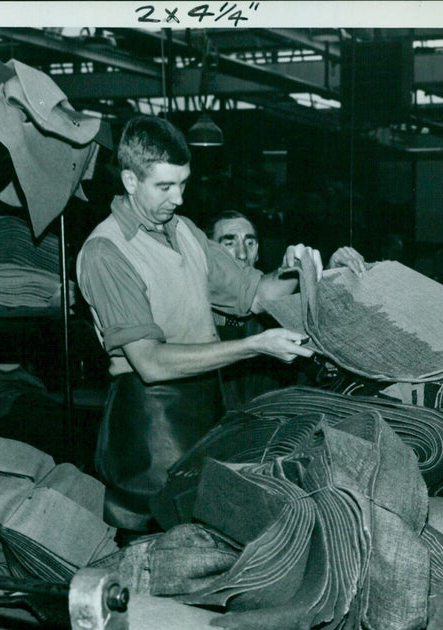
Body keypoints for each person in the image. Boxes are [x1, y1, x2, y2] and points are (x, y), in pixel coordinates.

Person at [76, 116, 320, 531]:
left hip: (207, 405)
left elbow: (255, 292)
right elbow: (150, 362)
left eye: (183, 184)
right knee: (159, 540)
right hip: (150, 424)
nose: (179, 199)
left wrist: (296, 270)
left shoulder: (184, 231)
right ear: (131, 182)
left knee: (213, 536)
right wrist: (253, 346)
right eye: (165, 187)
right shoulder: (106, 252)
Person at [206, 210, 366, 408]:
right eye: (229, 243)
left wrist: (333, 278)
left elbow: (319, 371)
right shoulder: (196, 317)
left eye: (250, 243)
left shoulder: (276, 314)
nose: (242, 254)